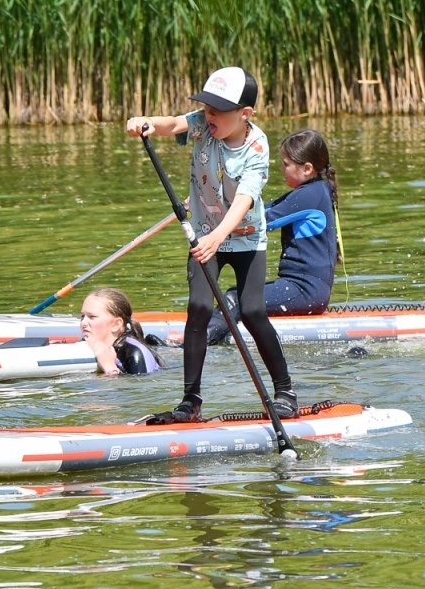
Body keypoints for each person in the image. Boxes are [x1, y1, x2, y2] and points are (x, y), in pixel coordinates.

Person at [124, 66, 296, 423]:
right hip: (203, 233)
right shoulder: (203, 124)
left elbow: (244, 201)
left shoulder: (257, 147)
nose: (208, 115)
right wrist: (146, 123)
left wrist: (218, 238)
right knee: (199, 308)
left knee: (251, 312)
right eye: (205, 107)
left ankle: (285, 392)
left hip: (246, 238)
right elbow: (172, 124)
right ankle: (191, 402)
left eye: (218, 110)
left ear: (245, 114)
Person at [206, 128, 339, 344]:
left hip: (306, 292)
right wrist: (213, 207)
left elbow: (262, 220)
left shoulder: (310, 195)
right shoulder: (313, 190)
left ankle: (192, 346)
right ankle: (208, 335)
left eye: (286, 164)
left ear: (307, 169)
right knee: (237, 293)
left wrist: (214, 214)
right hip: (306, 290)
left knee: (235, 298)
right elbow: (263, 208)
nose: (281, 169)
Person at [80, 288, 163, 376]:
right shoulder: (83, 343)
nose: (83, 323)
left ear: (116, 324)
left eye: (92, 317)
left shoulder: (135, 353)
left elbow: (141, 387)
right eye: (82, 316)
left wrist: (109, 367)